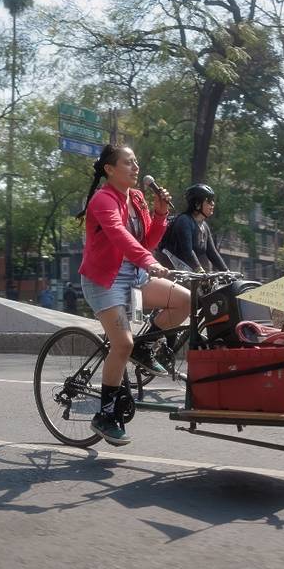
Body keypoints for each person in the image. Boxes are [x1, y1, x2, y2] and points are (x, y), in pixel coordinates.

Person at [77, 144, 191, 446]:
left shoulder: (137, 197)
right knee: (123, 343)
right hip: (105, 282)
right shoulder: (103, 200)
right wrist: (150, 263)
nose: (135, 167)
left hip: (135, 275)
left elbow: (147, 239)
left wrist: (160, 213)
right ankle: (105, 414)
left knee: (184, 301)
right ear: (109, 170)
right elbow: (119, 234)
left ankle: (146, 347)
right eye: (128, 162)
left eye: (136, 161)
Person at [157, 183, 228, 272]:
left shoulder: (204, 226)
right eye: (209, 201)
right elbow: (188, 251)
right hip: (171, 271)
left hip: (186, 272)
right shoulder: (184, 221)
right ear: (197, 204)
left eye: (213, 200)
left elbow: (212, 253)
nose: (213, 204)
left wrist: (227, 272)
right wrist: (199, 269)